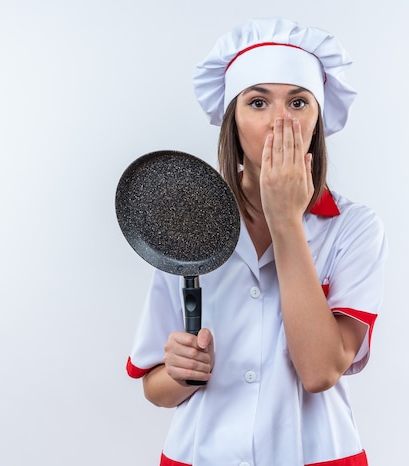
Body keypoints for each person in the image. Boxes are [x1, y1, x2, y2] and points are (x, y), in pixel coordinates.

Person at [126, 17, 388, 466]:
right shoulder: (187, 222)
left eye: (299, 102)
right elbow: (156, 387)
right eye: (259, 101)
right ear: (233, 119)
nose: (279, 121)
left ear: (317, 121)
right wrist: (180, 372)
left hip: (317, 454)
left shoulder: (355, 227)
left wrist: (285, 219)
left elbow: (320, 372)